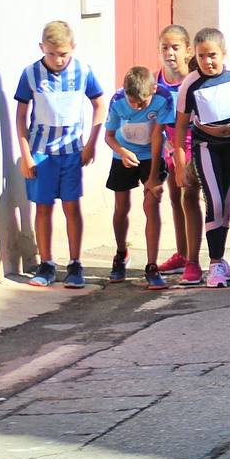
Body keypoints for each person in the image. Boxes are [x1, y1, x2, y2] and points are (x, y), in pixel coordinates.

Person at [16, 21, 106, 288]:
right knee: (43, 207)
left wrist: (91, 143)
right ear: (42, 48)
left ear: (73, 48)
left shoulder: (83, 71)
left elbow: (99, 104)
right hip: (41, 152)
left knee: (72, 206)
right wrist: (26, 155)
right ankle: (46, 264)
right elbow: (20, 116)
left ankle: (76, 263)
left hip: (71, 152)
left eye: (63, 54)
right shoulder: (30, 74)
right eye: (52, 53)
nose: (57, 59)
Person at [174, 28, 230, 288]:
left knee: (226, 202)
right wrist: (180, 162)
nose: (208, 61)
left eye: (212, 55)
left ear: (223, 53)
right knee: (215, 202)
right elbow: (180, 126)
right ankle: (214, 263)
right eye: (201, 56)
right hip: (206, 146)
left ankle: (220, 260)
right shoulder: (191, 83)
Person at [103, 65, 173, 289]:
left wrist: (153, 178)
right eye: (132, 102)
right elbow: (109, 136)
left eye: (142, 103)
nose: (136, 107)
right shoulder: (117, 101)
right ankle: (121, 253)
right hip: (123, 154)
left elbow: (157, 136)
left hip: (150, 154)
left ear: (153, 89)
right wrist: (122, 152)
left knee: (151, 203)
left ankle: (152, 265)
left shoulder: (162, 98)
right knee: (121, 207)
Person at [155, 24, 193, 276]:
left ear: (188, 51)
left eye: (175, 47)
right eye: (164, 48)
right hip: (169, 149)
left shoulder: (193, 79)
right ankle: (182, 253)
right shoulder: (156, 81)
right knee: (174, 199)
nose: (170, 53)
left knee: (191, 199)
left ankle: (200, 257)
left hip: (195, 146)